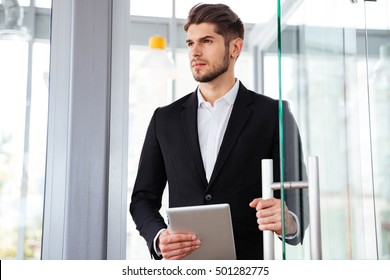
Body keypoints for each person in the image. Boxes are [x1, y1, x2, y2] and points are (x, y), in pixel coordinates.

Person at [130, 3, 308, 260]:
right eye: (190, 43)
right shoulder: (164, 119)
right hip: (185, 267)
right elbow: (142, 199)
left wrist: (288, 221)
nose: (195, 52)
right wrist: (159, 238)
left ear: (235, 47)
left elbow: (298, 199)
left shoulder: (274, 114)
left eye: (207, 41)